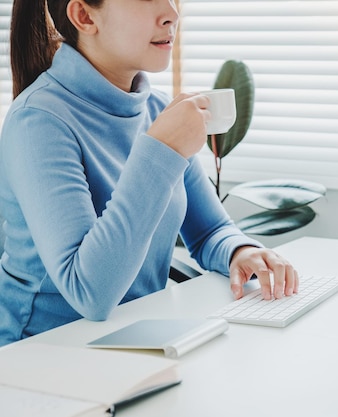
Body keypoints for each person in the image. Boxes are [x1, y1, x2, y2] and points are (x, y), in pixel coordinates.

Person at [0, 0, 298, 347]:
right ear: (84, 16)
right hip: (43, 356)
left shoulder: (156, 109)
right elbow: (88, 291)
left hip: (135, 340)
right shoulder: (38, 121)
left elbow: (211, 231)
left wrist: (239, 252)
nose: (172, 12)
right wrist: (162, 150)